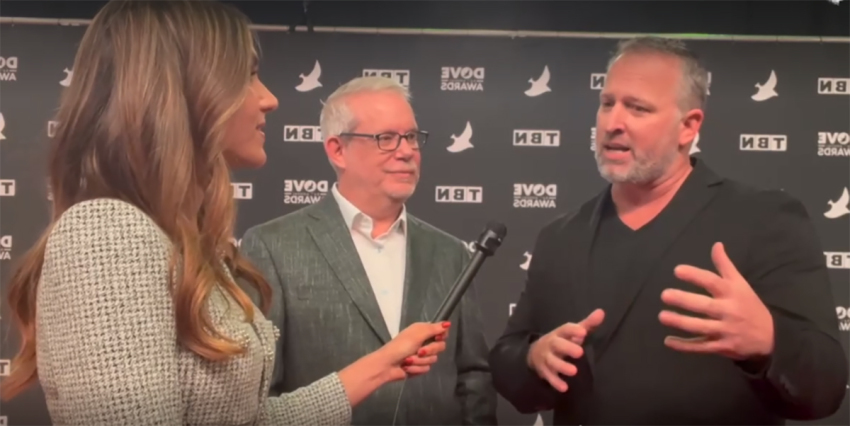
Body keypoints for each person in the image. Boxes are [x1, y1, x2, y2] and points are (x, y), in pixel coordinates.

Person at [0, 2, 451, 425]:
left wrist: (380, 364)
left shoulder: (185, 244)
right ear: (185, 91)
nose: (270, 98)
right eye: (248, 76)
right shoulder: (109, 234)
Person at [488, 36, 849, 425]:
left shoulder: (766, 221)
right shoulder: (560, 236)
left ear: (688, 127)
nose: (613, 123)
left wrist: (769, 343)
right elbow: (507, 361)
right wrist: (533, 358)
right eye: (607, 104)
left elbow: (824, 388)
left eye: (638, 108)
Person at [239, 76, 498, 425]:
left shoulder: (452, 254)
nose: (406, 150)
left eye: (411, 137)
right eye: (386, 138)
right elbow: (257, 393)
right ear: (337, 150)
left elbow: (473, 378)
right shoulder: (272, 247)